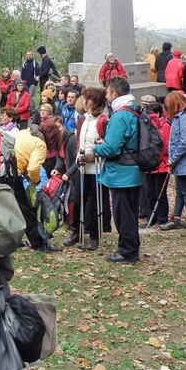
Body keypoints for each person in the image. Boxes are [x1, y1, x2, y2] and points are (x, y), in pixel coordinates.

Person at [93, 77, 144, 262]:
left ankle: (127, 251)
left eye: (107, 92)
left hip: (122, 173)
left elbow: (111, 148)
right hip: (133, 171)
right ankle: (132, 247)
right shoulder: (134, 110)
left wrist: (96, 148)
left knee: (123, 214)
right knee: (129, 212)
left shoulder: (120, 115)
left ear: (114, 94)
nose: (106, 96)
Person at [65, 87, 111, 250]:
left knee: (94, 203)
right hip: (82, 167)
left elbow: (106, 146)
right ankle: (77, 231)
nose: (84, 102)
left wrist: (90, 157)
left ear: (95, 103)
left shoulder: (104, 121)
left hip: (97, 168)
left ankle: (94, 236)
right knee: (78, 200)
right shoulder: (83, 119)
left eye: (87, 100)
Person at [11, 120, 55, 253]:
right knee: (26, 210)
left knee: (12, 209)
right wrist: (35, 181)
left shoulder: (25, 132)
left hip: (5, 169)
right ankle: (38, 243)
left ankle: (14, 240)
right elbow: (34, 168)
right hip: (14, 173)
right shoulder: (40, 144)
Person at [160, 91, 186, 231]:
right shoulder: (182, 115)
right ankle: (176, 217)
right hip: (181, 160)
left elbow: (184, 142)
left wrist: (173, 159)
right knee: (180, 189)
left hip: (184, 160)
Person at [142, 102, 170, 226]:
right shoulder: (147, 126)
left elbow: (165, 146)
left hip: (161, 165)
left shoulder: (164, 126)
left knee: (160, 193)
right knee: (150, 193)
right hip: (149, 166)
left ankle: (162, 217)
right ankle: (151, 216)